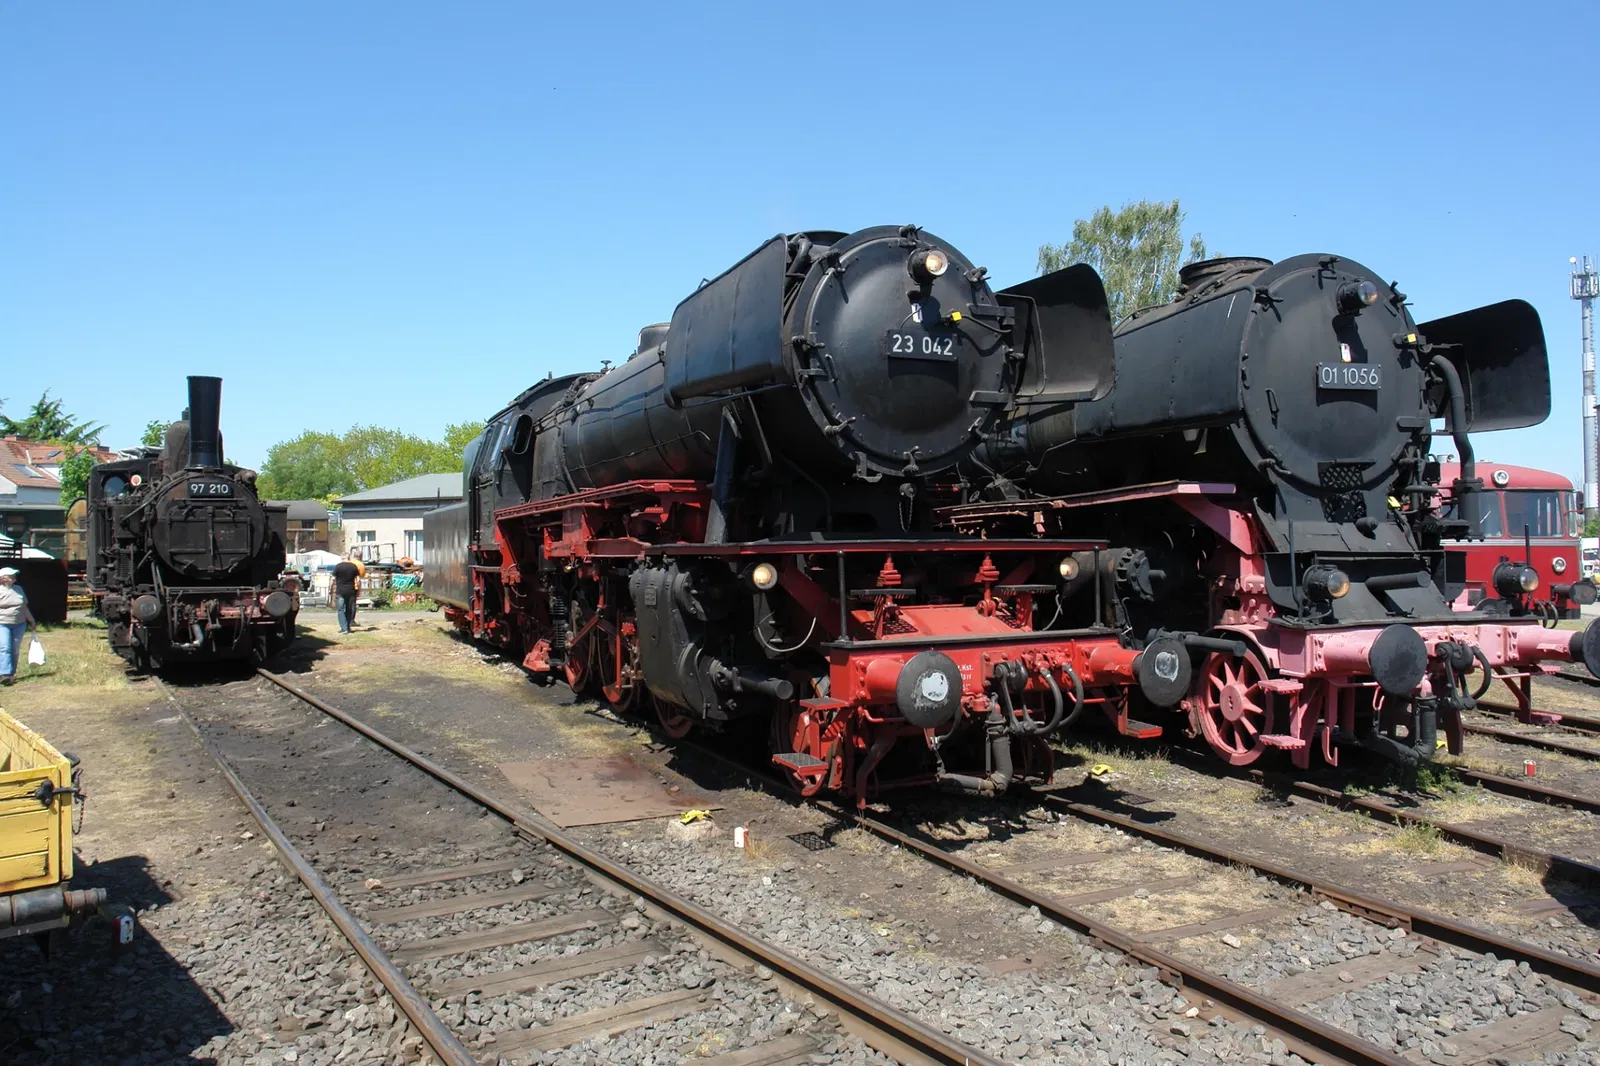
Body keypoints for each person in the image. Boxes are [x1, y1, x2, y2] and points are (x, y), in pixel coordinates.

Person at [0, 566, 38, 685]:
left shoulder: (19, 589)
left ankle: (11, 673)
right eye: (11, 575)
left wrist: (31, 620)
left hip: (19, 624)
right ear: (3, 578)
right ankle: (4, 673)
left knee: (15, 649)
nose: (14, 577)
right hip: (2, 623)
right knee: (5, 648)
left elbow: (24, 607)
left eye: (14, 575)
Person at [332, 551, 366, 634]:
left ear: (341, 558)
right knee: (349, 609)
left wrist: (331, 589)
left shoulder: (338, 566)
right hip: (351, 590)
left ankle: (344, 628)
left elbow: (332, 579)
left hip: (340, 591)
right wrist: (358, 591)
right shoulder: (354, 567)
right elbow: (358, 580)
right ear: (349, 557)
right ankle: (348, 627)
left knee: (340, 609)